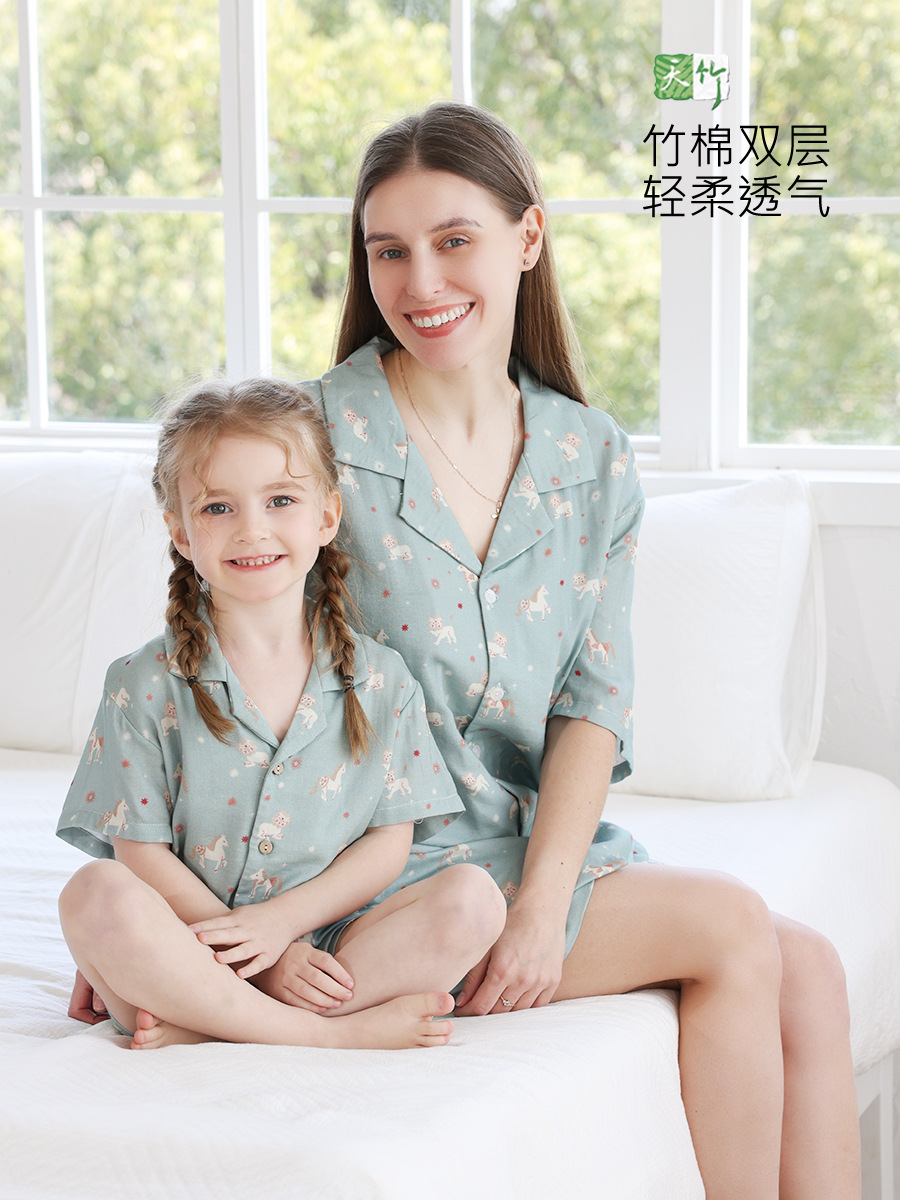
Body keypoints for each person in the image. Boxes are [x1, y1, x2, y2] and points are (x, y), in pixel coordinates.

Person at [282, 102, 859, 1199]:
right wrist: (179, 923)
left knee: (813, 970)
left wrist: (544, 909)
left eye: (455, 240)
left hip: (523, 851)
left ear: (528, 238)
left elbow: (592, 701)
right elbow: (217, 672)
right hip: (375, 875)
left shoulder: (588, 453)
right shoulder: (310, 439)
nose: (420, 282)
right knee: (731, 923)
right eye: (389, 251)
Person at [56, 376, 507, 1051]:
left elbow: (389, 843)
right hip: (195, 940)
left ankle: (212, 1022)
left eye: (281, 500)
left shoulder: (383, 681)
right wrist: (256, 953)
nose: (252, 529)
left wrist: (282, 926)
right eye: (217, 508)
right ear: (180, 532)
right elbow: (138, 852)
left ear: (327, 516)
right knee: (93, 894)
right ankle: (319, 1035)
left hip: (336, 945)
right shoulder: (141, 684)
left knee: (474, 899)